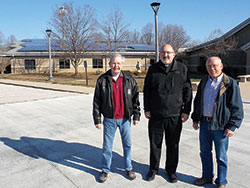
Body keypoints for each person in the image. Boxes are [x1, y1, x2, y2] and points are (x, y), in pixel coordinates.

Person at [191, 56, 244, 188]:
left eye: (215, 65)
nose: (212, 68)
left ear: (221, 66)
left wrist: (232, 126)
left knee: (221, 156)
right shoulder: (204, 81)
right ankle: (207, 177)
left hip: (221, 126)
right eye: (209, 66)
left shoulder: (230, 84)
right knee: (204, 152)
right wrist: (195, 118)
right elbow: (198, 101)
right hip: (204, 123)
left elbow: (237, 107)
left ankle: (221, 181)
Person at [143, 44, 192, 183]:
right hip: (156, 115)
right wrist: (147, 108)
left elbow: (187, 91)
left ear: (174, 54)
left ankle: (171, 171)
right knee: (155, 145)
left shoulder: (182, 69)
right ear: (159, 55)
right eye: (163, 53)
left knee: (173, 145)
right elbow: (147, 90)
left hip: (175, 115)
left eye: (169, 52)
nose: (166, 55)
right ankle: (153, 169)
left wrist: (186, 111)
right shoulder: (153, 69)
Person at [93, 53, 141, 183]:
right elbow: (96, 101)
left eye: (119, 63)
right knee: (107, 147)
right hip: (109, 119)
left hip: (125, 119)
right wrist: (97, 119)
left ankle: (128, 168)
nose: (116, 65)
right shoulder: (102, 80)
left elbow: (135, 98)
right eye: (114, 63)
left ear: (122, 65)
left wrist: (136, 115)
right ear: (109, 64)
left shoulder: (129, 79)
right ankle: (105, 170)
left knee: (127, 145)